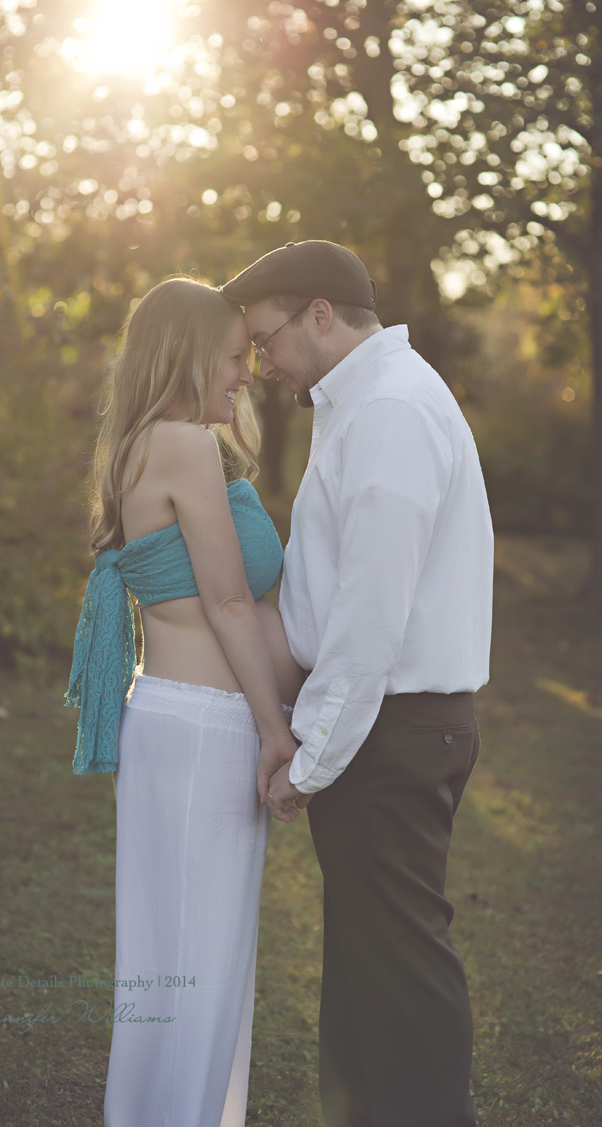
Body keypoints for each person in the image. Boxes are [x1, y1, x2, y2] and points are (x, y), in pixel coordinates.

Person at [220, 240, 494, 1127]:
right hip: (389, 727)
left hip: (395, 731)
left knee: (401, 972)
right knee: (366, 970)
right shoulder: (361, 403)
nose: (264, 363)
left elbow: (372, 612)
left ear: (320, 315)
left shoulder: (391, 410)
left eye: (267, 339)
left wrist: (312, 757)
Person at [64, 277, 306, 1127]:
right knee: (200, 959)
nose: (245, 373)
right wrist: (276, 731)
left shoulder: (139, 441)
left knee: (167, 957)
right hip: (207, 728)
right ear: (187, 354)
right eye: (234, 357)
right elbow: (230, 602)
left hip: (173, 718)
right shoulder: (184, 445)